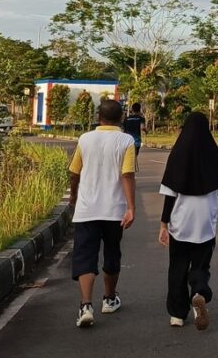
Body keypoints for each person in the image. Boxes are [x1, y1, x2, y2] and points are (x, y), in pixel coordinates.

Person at [68, 99, 137, 328]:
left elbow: (74, 172)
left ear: (99, 117)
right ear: (121, 118)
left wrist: (74, 196)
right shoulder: (126, 140)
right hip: (114, 210)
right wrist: (131, 207)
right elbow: (127, 175)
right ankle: (109, 299)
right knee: (112, 253)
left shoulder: (85, 139)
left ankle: (85, 306)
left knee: (85, 255)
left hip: (87, 209)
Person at [158, 112, 218, 330]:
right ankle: (198, 292)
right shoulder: (213, 154)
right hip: (205, 224)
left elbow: (170, 194)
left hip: (180, 223)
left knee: (177, 267)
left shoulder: (178, 154)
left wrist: (163, 224)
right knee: (201, 265)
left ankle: (177, 314)